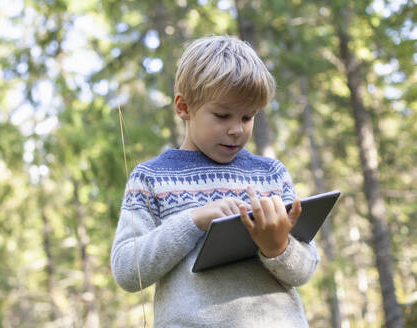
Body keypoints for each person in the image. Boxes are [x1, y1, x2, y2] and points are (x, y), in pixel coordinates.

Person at [111, 35, 319, 327]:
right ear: (184, 107)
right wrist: (193, 220)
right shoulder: (150, 178)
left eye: (247, 117)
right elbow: (127, 271)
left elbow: (305, 269)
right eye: (222, 115)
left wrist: (277, 247)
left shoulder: (271, 174)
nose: (236, 130)